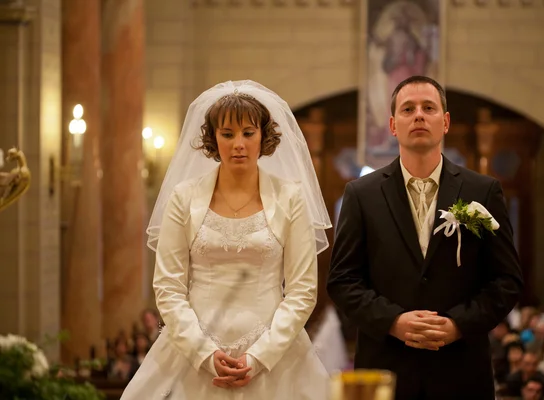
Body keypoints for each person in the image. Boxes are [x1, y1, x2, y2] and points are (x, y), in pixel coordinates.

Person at [121, 80, 332, 399]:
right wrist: (203, 352)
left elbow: (302, 291)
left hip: (275, 354)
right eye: (228, 134)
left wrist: (259, 357)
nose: (239, 144)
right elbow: (168, 287)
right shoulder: (184, 198)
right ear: (212, 138)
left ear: (263, 137)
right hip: (192, 349)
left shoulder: (290, 198)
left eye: (248, 133)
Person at [327, 75, 523, 399]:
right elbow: (342, 281)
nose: (418, 115)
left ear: (445, 122)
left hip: (461, 371)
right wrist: (394, 321)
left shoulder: (482, 192)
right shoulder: (362, 194)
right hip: (386, 369)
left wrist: (458, 324)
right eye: (408, 109)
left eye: (428, 107)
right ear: (393, 125)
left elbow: (507, 281)